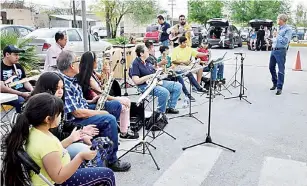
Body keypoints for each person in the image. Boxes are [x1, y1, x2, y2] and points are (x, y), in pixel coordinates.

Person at [2, 93, 116, 186]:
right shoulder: (45, 143)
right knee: (107, 174)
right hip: (59, 181)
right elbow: (59, 178)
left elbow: (54, 152)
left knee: (99, 148)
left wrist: (72, 139)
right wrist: (81, 157)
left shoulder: (34, 131)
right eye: (59, 114)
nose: (61, 116)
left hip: (60, 170)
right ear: (48, 119)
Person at [56, 50, 131, 172]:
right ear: (71, 65)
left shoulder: (72, 79)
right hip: (76, 120)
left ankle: (106, 141)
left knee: (115, 105)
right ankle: (112, 160)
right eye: (77, 61)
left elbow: (79, 102)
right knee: (109, 119)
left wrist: (92, 101)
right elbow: (77, 112)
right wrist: (100, 113)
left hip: (84, 108)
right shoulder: (64, 83)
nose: (80, 63)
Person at [30, 72, 99, 159]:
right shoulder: (41, 109)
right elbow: (55, 137)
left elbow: (63, 124)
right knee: (87, 150)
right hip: (51, 153)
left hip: (55, 148)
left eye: (62, 88)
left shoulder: (55, 103)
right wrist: (78, 137)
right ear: (46, 89)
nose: (60, 91)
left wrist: (81, 129)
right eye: (56, 88)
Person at [77, 51, 139, 140]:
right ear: (92, 62)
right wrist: (117, 99)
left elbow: (103, 80)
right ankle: (124, 131)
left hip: (100, 99)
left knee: (125, 102)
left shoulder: (92, 73)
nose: (97, 62)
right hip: (98, 101)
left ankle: (124, 130)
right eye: (95, 61)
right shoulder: (89, 78)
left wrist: (106, 72)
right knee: (123, 104)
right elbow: (100, 93)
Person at [129, 44, 182, 115]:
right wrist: (150, 75)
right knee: (164, 92)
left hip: (156, 81)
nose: (148, 52)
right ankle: (160, 112)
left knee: (177, 86)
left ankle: (170, 107)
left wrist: (160, 70)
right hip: (145, 86)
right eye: (147, 51)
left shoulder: (147, 60)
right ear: (141, 53)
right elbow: (136, 81)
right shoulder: (135, 64)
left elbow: (153, 68)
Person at [0, 45, 33, 113]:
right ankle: (21, 122)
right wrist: (21, 94)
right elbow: (2, 88)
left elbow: (25, 81)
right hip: (7, 94)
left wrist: (32, 90)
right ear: (7, 54)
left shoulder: (18, 66)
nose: (18, 57)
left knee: (40, 97)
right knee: (21, 102)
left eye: (18, 55)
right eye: (15, 55)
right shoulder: (1, 67)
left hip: (21, 91)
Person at [269, 14, 292, 95]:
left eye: (277, 19)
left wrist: (277, 35)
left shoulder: (288, 29)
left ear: (282, 20)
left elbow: (285, 41)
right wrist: (272, 39)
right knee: (271, 67)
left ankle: (279, 87)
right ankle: (275, 83)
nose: (277, 20)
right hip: (273, 50)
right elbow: (276, 39)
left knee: (280, 69)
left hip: (281, 51)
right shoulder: (278, 28)